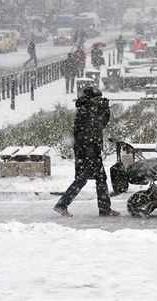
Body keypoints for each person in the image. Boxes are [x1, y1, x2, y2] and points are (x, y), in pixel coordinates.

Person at [54, 87, 120, 217]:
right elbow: (97, 124)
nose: (98, 101)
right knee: (86, 179)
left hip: (90, 149)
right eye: (96, 99)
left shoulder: (88, 108)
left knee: (95, 179)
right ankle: (62, 205)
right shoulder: (85, 110)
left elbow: (100, 124)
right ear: (89, 98)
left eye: (100, 99)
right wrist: (104, 110)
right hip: (87, 150)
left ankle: (104, 208)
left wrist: (104, 110)